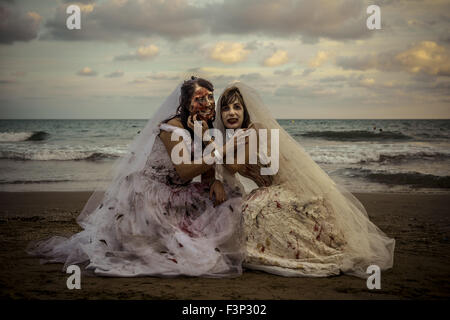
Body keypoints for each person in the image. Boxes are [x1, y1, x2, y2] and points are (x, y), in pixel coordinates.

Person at [27, 77, 245, 278]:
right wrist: (223, 150)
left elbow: (205, 173)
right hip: (151, 195)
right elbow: (185, 171)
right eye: (200, 99)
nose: (207, 103)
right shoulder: (173, 128)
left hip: (178, 193)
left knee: (231, 195)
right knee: (186, 252)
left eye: (210, 97)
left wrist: (215, 179)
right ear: (186, 102)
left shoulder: (202, 127)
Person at [214, 82, 395, 278]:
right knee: (243, 210)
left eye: (237, 107)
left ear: (246, 111)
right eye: (226, 108)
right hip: (270, 190)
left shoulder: (253, 130)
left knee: (248, 211)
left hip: (289, 188)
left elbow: (234, 167)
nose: (231, 113)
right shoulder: (234, 138)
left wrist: (212, 147)